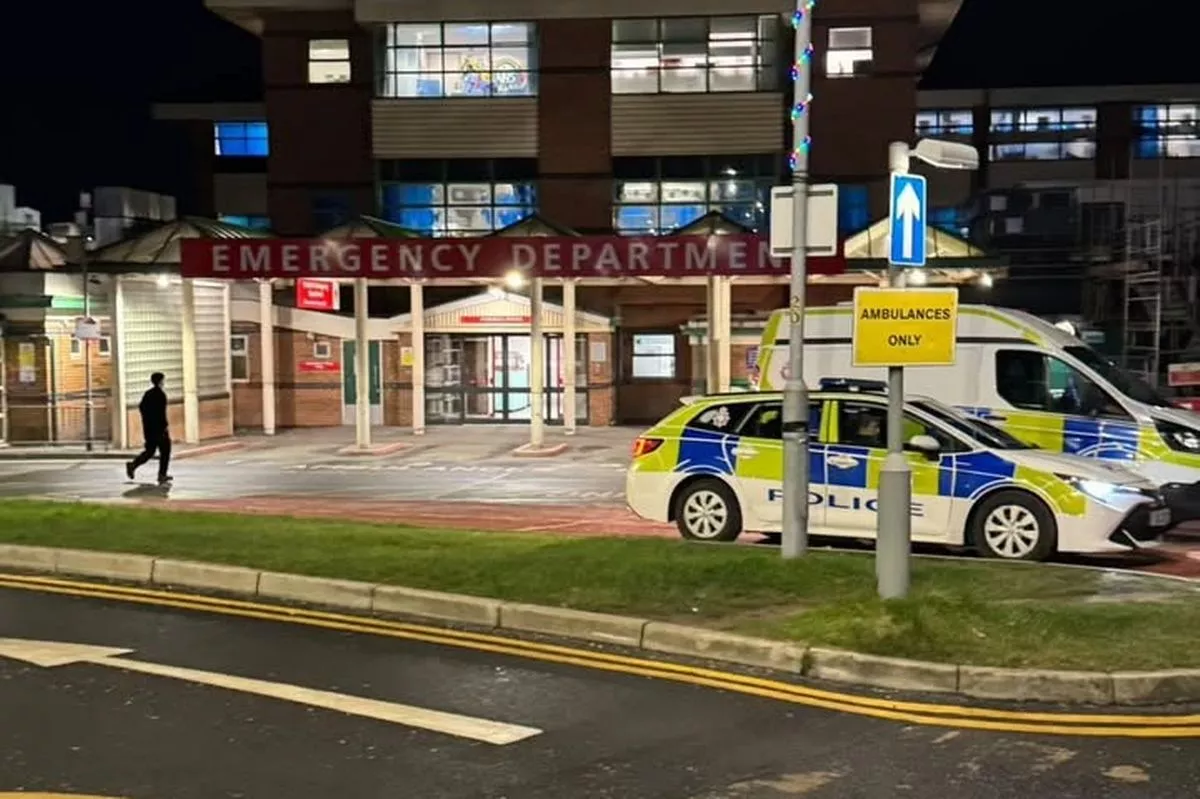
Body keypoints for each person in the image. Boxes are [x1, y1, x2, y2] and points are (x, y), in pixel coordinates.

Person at [126, 372, 172, 485]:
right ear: (160, 381)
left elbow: (142, 408)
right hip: (159, 430)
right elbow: (161, 414)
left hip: (149, 429)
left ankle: (133, 465)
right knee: (165, 451)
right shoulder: (161, 395)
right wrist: (164, 427)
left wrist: (147, 422)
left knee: (150, 451)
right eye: (163, 380)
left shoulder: (148, 394)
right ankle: (162, 474)